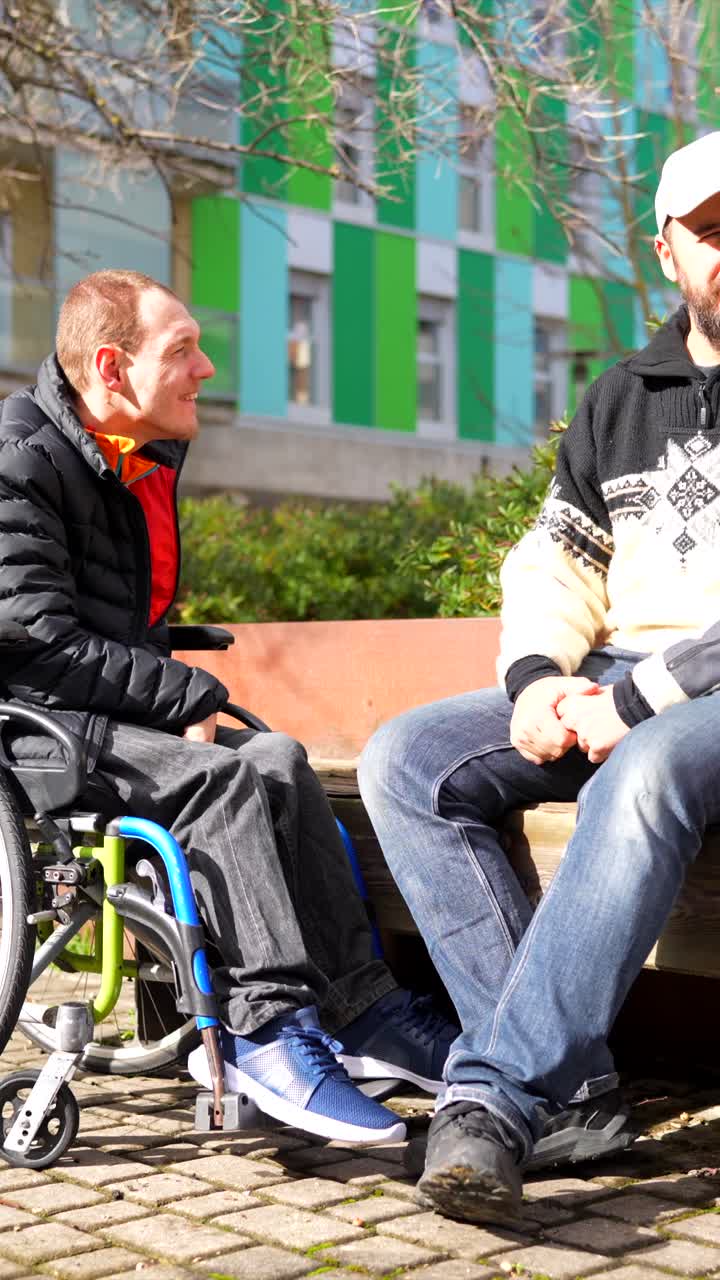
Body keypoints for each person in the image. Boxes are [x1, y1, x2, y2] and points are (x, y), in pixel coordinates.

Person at [0, 268, 457, 1147]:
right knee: (218, 779)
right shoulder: (20, 457)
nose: (205, 369)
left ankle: (362, 1012)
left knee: (277, 759)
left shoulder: (126, 458)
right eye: (182, 350)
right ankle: (265, 1033)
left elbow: (123, 625)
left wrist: (170, 688)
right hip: (33, 727)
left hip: (101, 716)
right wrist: (187, 691)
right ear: (111, 368)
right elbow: (32, 638)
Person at [358, 129, 720, 1220]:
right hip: (620, 680)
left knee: (642, 772)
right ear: (666, 249)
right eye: (711, 232)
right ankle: (574, 1092)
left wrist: (636, 702)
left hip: (690, 703)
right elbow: (559, 564)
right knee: (408, 760)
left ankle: (499, 1094)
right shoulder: (622, 398)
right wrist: (534, 682)